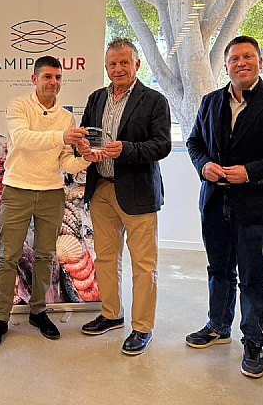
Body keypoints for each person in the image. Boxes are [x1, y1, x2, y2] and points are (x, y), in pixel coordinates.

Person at [186, 35, 263, 378]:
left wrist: (250, 172)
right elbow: (194, 142)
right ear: (226, 65)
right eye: (234, 58)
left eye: (248, 57)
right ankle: (218, 325)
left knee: (253, 277)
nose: (241, 63)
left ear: (259, 61)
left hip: (258, 205)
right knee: (219, 270)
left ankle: (253, 341)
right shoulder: (211, 101)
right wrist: (203, 165)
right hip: (215, 202)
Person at [0, 55, 100, 351]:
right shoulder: (19, 106)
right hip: (18, 190)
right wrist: (62, 135)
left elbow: (66, 162)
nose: (53, 82)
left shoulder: (66, 117)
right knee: (8, 256)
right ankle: (0, 319)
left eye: (58, 77)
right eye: (47, 76)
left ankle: (38, 311)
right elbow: (23, 139)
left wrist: (86, 158)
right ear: (34, 79)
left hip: (51, 193)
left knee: (46, 256)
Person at [79, 38, 171, 356]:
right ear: (106, 67)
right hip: (102, 188)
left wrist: (127, 149)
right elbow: (85, 134)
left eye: (124, 62)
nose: (118, 68)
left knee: (143, 264)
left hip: (138, 193)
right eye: (112, 64)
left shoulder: (154, 100)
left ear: (136, 65)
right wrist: (82, 146)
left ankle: (142, 328)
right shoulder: (96, 98)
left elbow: (163, 145)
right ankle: (111, 314)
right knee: (105, 258)